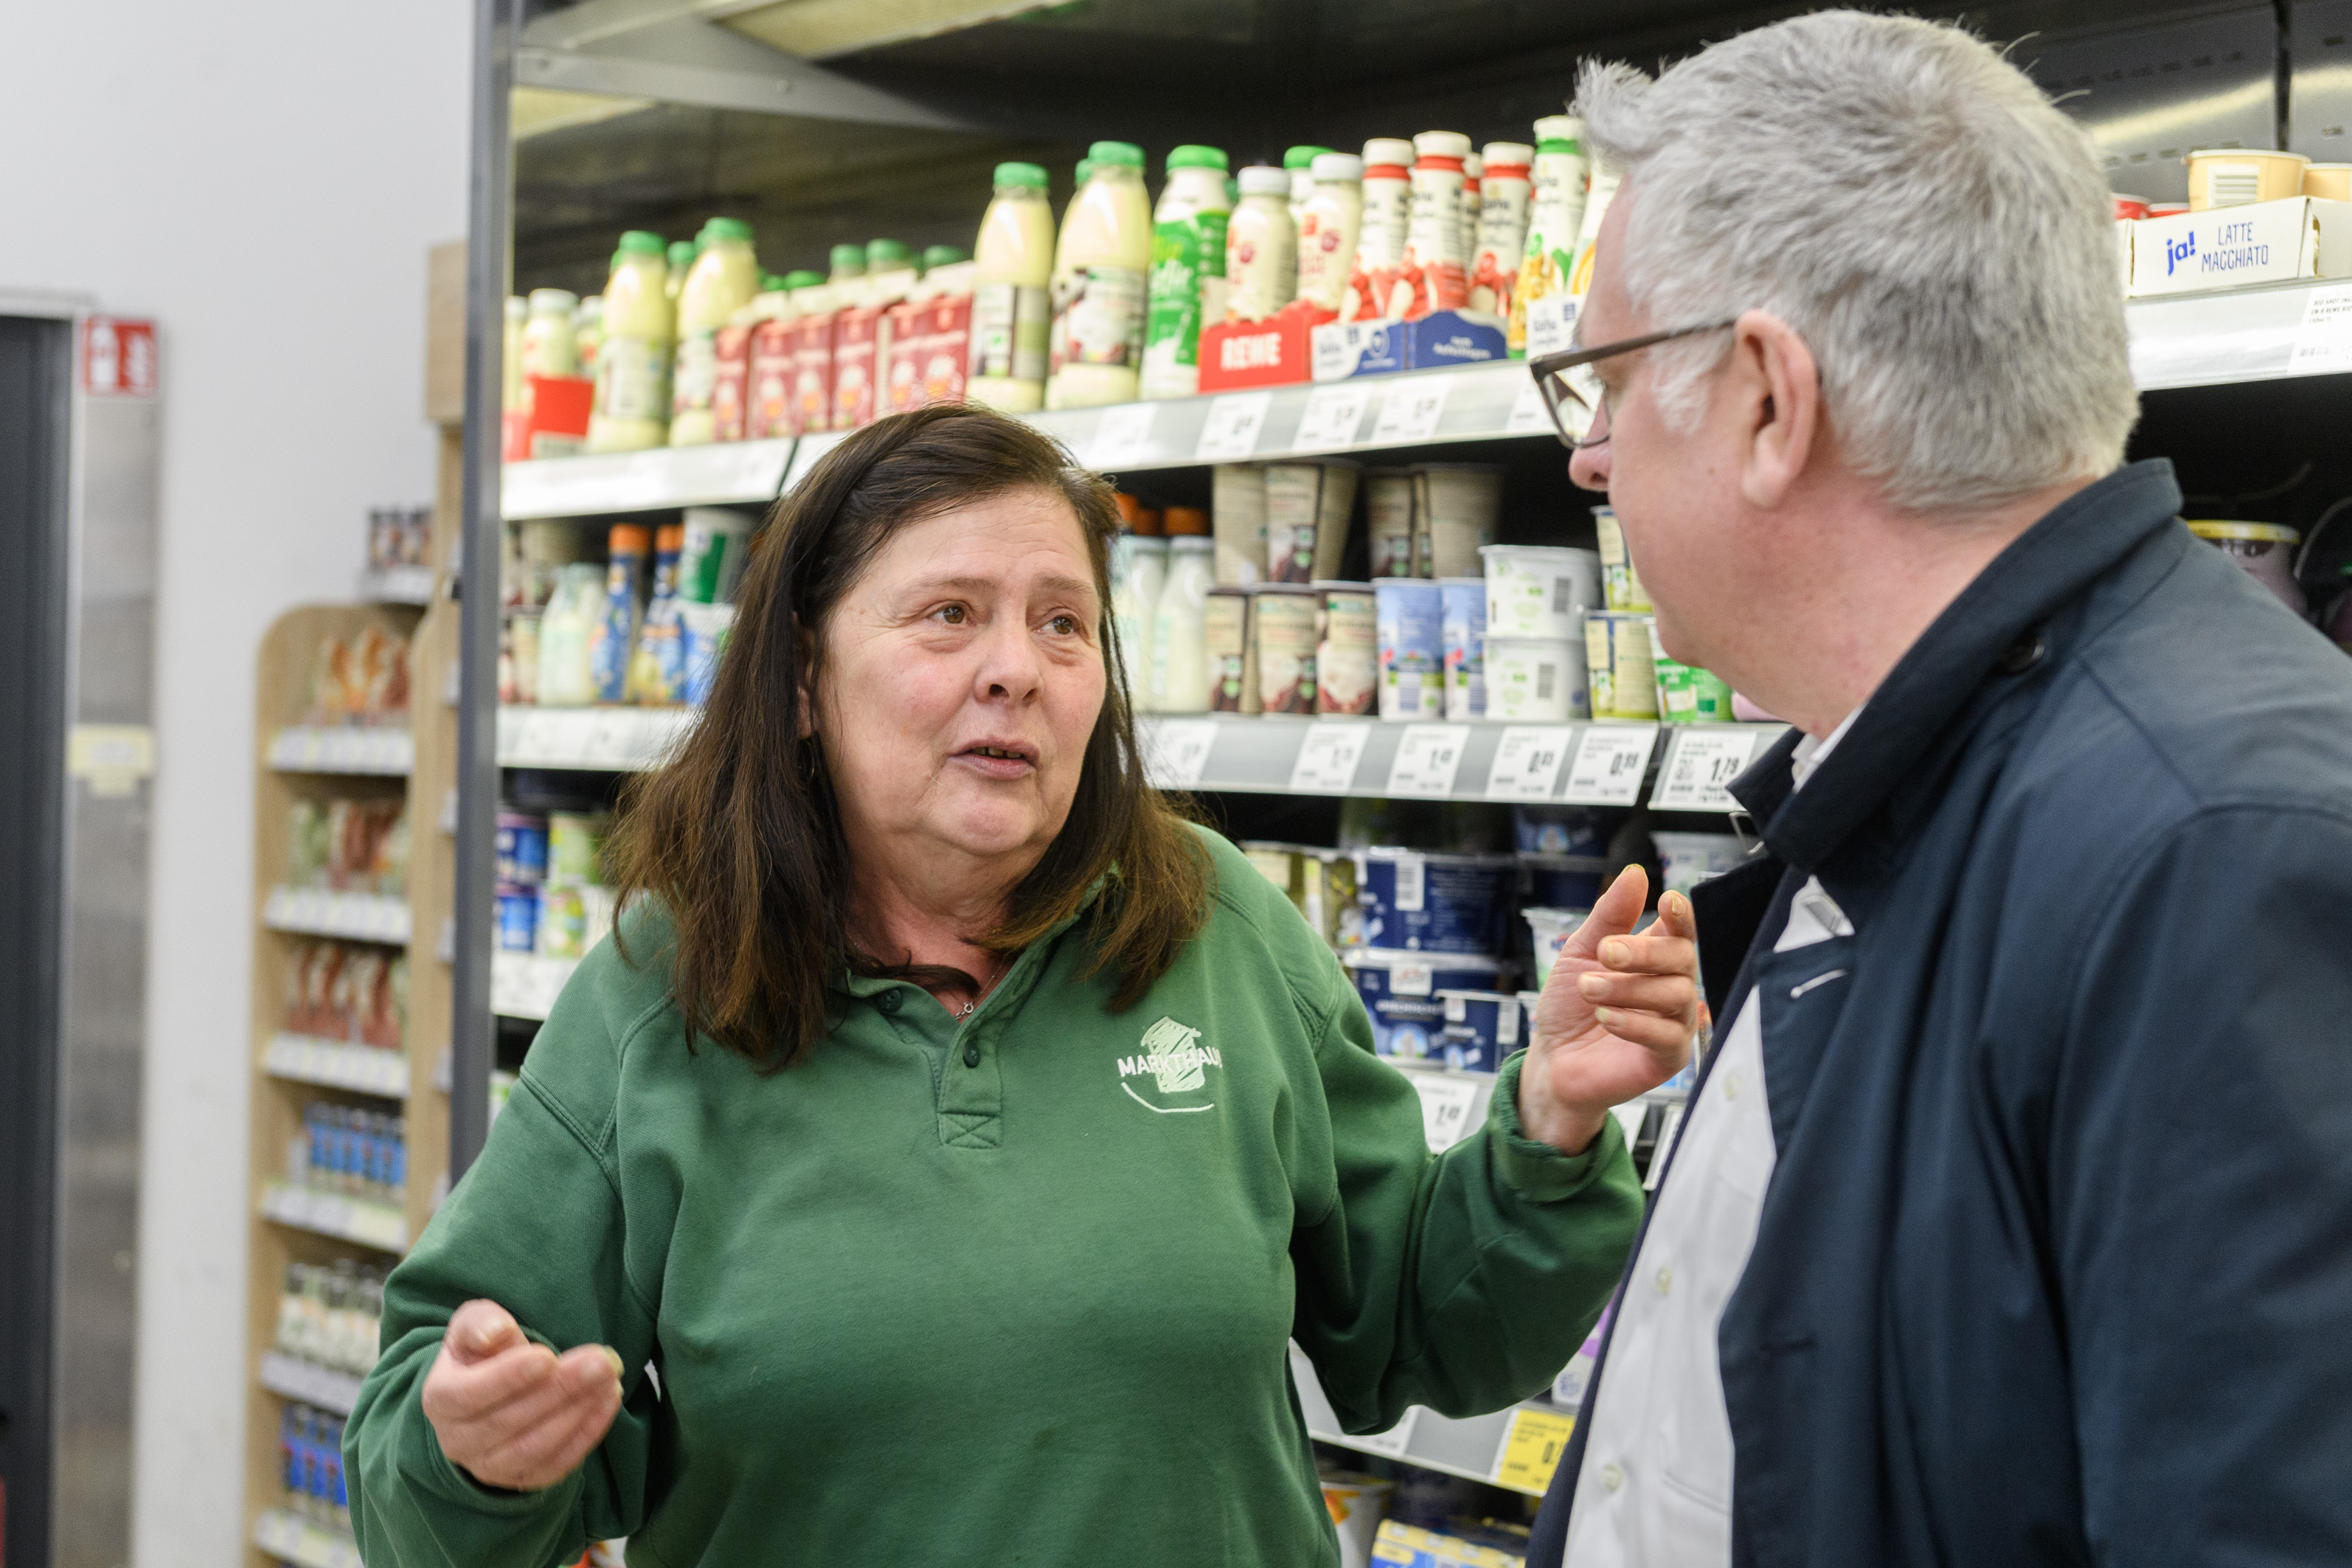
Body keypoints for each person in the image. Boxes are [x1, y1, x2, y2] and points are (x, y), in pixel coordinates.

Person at [344, 405, 1703, 1567]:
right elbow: (421, 1459)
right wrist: (475, 1452)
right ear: (805, 677)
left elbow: (1419, 1333)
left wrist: (1548, 1125)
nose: (1015, 669)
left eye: (1063, 623)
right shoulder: (670, 987)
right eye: (949, 615)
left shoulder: (1219, 924)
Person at [1519, 13, 2352, 1567]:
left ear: (1767, 400)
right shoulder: (1906, 782)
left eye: (1602, 386)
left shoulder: (2218, 850)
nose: (1589, 460)